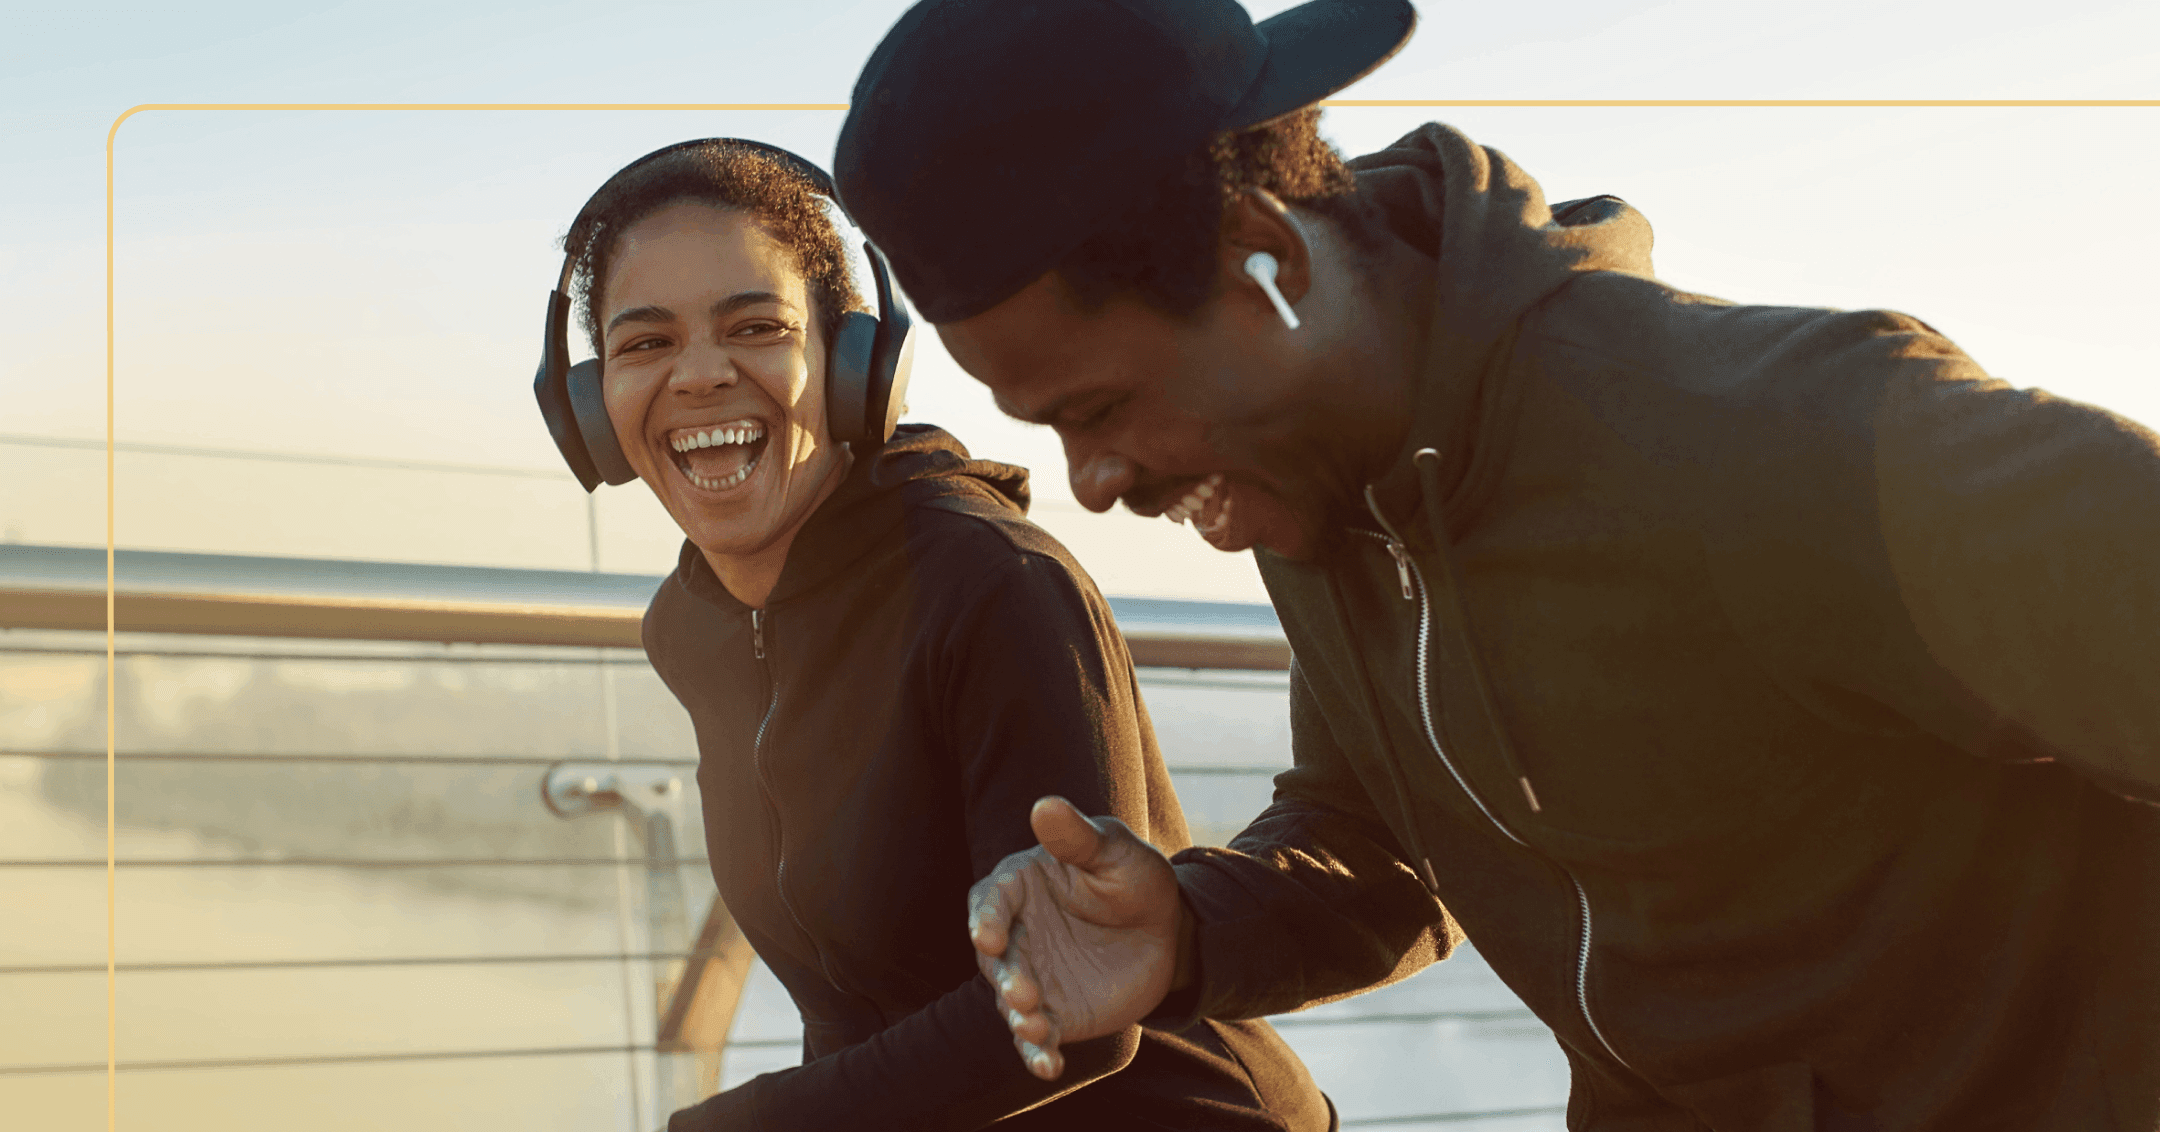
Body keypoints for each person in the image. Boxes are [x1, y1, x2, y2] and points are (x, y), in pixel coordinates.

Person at [828, 1, 2160, 1129]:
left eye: (1099, 410)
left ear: (1269, 261)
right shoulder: (1320, 495)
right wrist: (1184, 930)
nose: (1093, 484)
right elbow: (1382, 848)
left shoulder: (1789, 438)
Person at [538, 139, 1336, 1130]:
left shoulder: (995, 585)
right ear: (589, 404)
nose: (699, 374)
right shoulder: (694, 625)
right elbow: (852, 1004)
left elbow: (1075, 1018)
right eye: (645, 343)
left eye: (756, 327)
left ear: (853, 362)